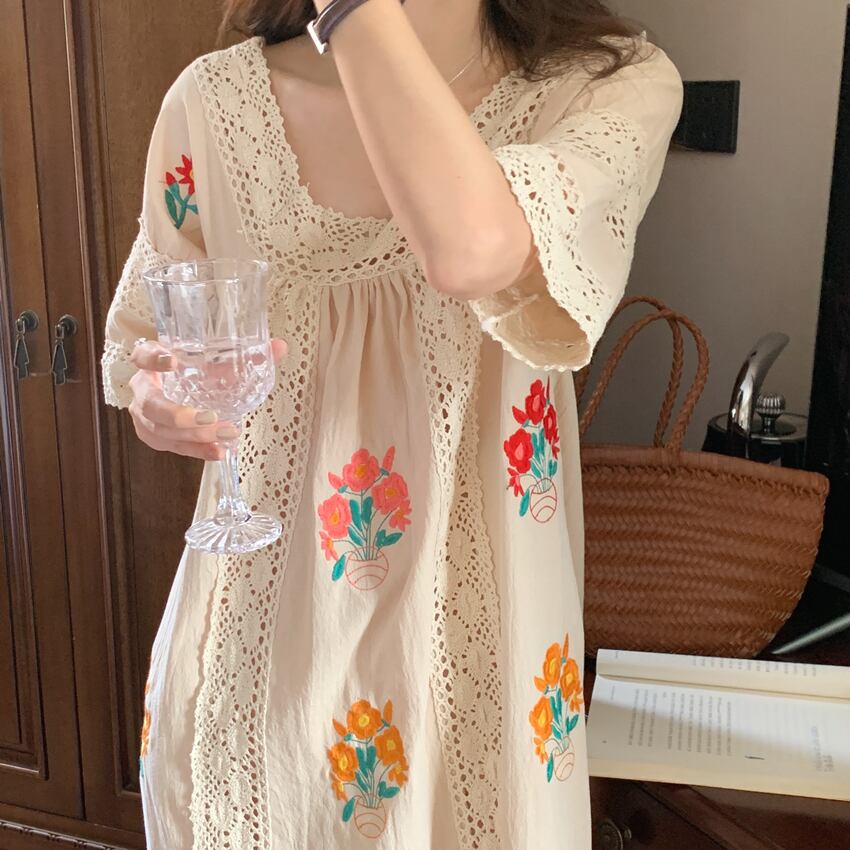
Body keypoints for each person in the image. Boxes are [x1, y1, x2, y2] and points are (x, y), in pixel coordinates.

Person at [100, 0, 683, 846]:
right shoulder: (212, 103)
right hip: (258, 647)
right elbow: (148, 338)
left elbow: (472, 249)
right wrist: (158, 396)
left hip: (480, 656)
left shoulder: (609, 85)